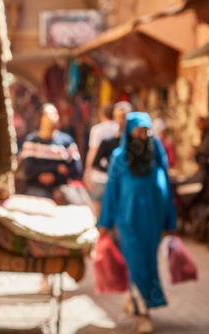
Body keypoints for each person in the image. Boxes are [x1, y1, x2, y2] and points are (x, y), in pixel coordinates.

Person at [98, 112, 177, 333]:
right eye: (139, 131)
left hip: (153, 222)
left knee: (147, 262)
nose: (144, 135)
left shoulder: (156, 155)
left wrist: (171, 221)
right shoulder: (120, 158)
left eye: (147, 130)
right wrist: (105, 222)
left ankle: (135, 298)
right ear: (130, 132)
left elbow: (167, 190)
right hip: (128, 221)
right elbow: (111, 192)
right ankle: (144, 311)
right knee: (136, 262)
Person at [19, 103, 82, 199]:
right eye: (49, 114)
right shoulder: (31, 141)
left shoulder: (67, 141)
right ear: (40, 118)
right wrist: (56, 168)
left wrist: (55, 178)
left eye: (55, 114)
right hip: (36, 188)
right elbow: (29, 168)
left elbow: (76, 169)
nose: (52, 118)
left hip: (61, 189)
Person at [89, 101, 132, 217]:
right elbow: (96, 162)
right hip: (109, 180)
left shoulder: (136, 142)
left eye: (124, 117)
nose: (121, 121)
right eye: (118, 117)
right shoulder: (108, 141)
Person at [84, 104, 118, 215]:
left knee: (97, 203)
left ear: (102, 115)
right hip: (116, 174)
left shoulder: (97, 129)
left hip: (99, 175)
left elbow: (93, 151)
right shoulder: (118, 129)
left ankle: (99, 229)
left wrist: (87, 171)